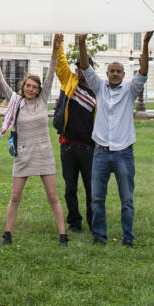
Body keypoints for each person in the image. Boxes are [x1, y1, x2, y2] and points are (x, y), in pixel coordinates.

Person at [0, 39, 66, 245]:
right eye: (28, 86)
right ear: (23, 87)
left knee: (52, 195)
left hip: (44, 154)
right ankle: (7, 234)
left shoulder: (42, 101)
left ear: (39, 89)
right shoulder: (16, 101)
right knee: (15, 197)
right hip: (23, 154)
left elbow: (51, 72)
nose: (31, 89)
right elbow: (0, 81)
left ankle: (63, 235)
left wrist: (55, 50)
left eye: (35, 87)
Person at [80, 31, 149, 247]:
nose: (116, 74)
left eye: (119, 71)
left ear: (123, 74)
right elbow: (85, 67)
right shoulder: (99, 87)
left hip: (123, 153)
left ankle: (128, 238)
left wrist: (145, 43)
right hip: (100, 152)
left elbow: (144, 71)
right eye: (112, 71)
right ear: (107, 73)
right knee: (97, 199)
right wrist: (81, 41)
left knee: (127, 200)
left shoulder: (130, 90)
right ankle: (99, 237)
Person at [53, 36, 97, 233]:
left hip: (89, 148)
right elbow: (60, 64)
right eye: (78, 67)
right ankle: (74, 222)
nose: (80, 70)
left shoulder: (99, 90)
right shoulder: (69, 81)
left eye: (83, 67)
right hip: (68, 146)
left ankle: (93, 220)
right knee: (70, 188)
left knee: (91, 188)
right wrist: (59, 44)